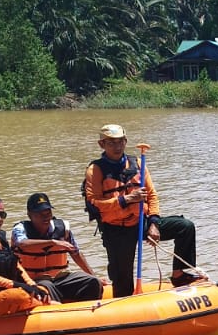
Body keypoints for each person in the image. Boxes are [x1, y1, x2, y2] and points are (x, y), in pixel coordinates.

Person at [83, 123, 204, 298]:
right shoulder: (95, 170)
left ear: (125, 142)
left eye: (120, 142)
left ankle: (179, 274)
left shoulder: (138, 163)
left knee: (184, 227)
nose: (117, 147)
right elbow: (94, 203)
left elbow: (152, 195)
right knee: (123, 285)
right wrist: (126, 199)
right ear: (102, 144)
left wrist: (153, 223)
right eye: (111, 143)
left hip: (141, 222)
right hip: (116, 229)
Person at [11, 192, 105, 303]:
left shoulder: (63, 229)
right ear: (30, 215)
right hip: (33, 280)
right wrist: (53, 243)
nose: (45, 217)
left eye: (48, 212)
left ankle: (88, 314)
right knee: (47, 286)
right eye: (40, 213)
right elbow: (22, 244)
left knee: (92, 282)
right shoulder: (20, 229)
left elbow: (76, 254)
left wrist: (93, 275)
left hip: (60, 278)